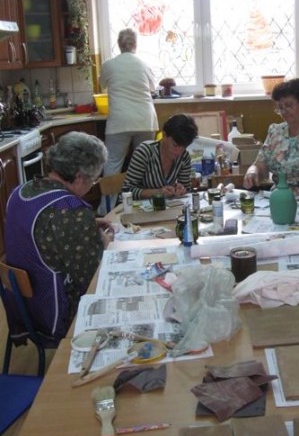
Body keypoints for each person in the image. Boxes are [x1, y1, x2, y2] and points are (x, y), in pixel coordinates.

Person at [4, 131, 113, 347]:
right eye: (94, 179)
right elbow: (93, 277)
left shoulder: (21, 191)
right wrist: (105, 245)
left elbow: (44, 233)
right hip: (54, 314)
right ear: (79, 177)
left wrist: (85, 228)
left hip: (23, 309)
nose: (92, 184)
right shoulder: (70, 210)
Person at [97, 28, 159, 213]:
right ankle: (146, 205)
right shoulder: (143, 64)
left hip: (120, 120)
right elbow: (152, 88)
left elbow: (102, 85)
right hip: (144, 119)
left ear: (119, 44)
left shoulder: (109, 65)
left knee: (113, 164)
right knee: (146, 163)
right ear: (135, 44)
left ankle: (106, 209)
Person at [243, 78, 299, 196]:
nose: (284, 111)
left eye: (289, 105)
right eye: (280, 107)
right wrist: (252, 172)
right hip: (278, 197)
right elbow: (261, 163)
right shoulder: (275, 132)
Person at [123, 114, 198, 200]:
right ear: (164, 135)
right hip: (140, 206)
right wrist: (158, 192)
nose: (178, 152)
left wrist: (181, 190)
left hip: (167, 206)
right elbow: (127, 191)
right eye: (175, 145)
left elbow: (186, 189)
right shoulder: (145, 152)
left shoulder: (184, 157)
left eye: (184, 147)